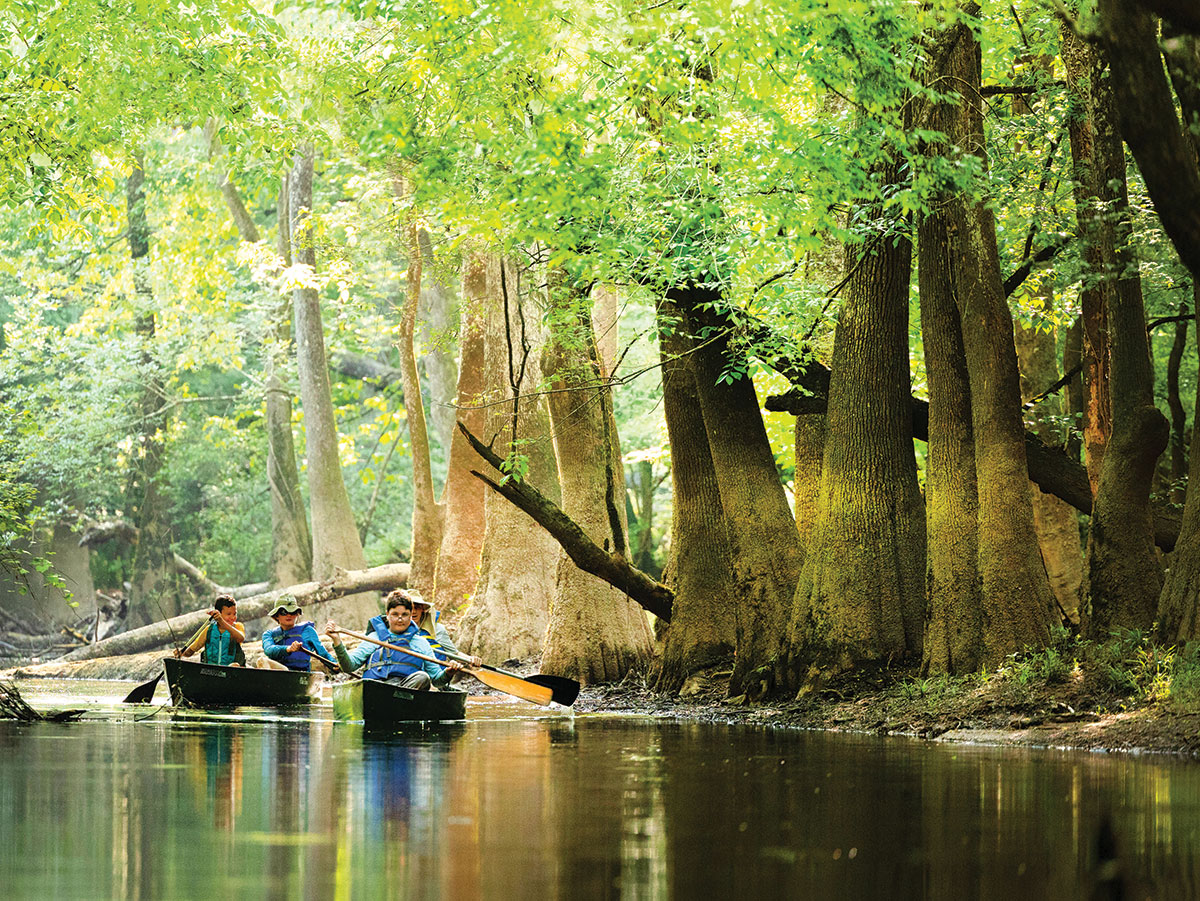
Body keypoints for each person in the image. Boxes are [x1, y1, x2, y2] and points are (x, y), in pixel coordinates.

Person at [325, 590, 462, 690]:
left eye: (404, 614)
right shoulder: (374, 638)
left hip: (405, 694)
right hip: (375, 689)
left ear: (410, 616)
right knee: (366, 685)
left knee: (422, 677)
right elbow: (349, 666)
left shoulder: (421, 643)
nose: (400, 619)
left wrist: (448, 672)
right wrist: (337, 642)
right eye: (395, 614)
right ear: (387, 615)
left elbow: (437, 680)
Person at [259, 596, 337, 671]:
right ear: (276, 616)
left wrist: (335, 665)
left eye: (292, 612)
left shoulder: (308, 631)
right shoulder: (268, 634)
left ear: (297, 614)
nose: (289, 615)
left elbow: (323, 654)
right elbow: (269, 650)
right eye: (284, 612)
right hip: (280, 673)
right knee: (262, 661)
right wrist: (288, 649)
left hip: (300, 674)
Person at [409, 591, 482, 668]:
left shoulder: (437, 629)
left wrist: (470, 659)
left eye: (417, 607)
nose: (414, 611)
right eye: (410, 608)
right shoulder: (399, 630)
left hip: (435, 673)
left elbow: (454, 654)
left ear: (423, 609)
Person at [174, 595, 246, 666]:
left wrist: (221, 621)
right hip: (211, 672)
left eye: (234, 614)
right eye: (228, 614)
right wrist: (181, 653)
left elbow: (240, 638)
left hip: (232, 672)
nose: (233, 617)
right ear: (219, 613)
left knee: (234, 665)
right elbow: (191, 650)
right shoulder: (209, 630)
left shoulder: (238, 627)